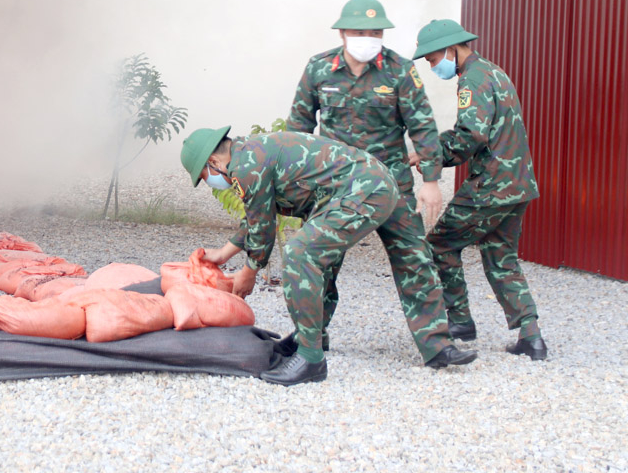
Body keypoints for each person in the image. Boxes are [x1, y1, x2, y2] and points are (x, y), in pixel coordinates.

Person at [181, 126, 478, 386]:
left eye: (205, 177)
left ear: (213, 162)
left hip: (362, 191)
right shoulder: (250, 151)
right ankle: (313, 338)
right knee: (347, 254)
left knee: (300, 254)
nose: (209, 183)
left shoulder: (246, 166)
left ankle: (310, 360)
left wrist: (250, 271)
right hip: (373, 182)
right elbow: (259, 213)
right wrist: (225, 253)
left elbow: (262, 226)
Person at [284, 0, 446, 354]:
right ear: (343, 32)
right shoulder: (318, 69)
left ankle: (437, 345)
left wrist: (430, 182)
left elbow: (422, 127)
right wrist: (295, 187)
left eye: (376, 31)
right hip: (334, 186)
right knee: (320, 260)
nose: (368, 37)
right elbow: (297, 130)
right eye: (360, 31)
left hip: (391, 185)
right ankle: (311, 337)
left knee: (415, 259)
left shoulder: (400, 70)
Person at [412, 18, 547, 361]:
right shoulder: (494, 71)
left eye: (432, 59)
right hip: (518, 184)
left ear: (451, 49)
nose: (432, 66)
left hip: (492, 186)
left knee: (440, 243)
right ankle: (531, 336)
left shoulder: (471, 79)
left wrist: (429, 155)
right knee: (501, 257)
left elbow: (470, 135)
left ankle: (459, 323)